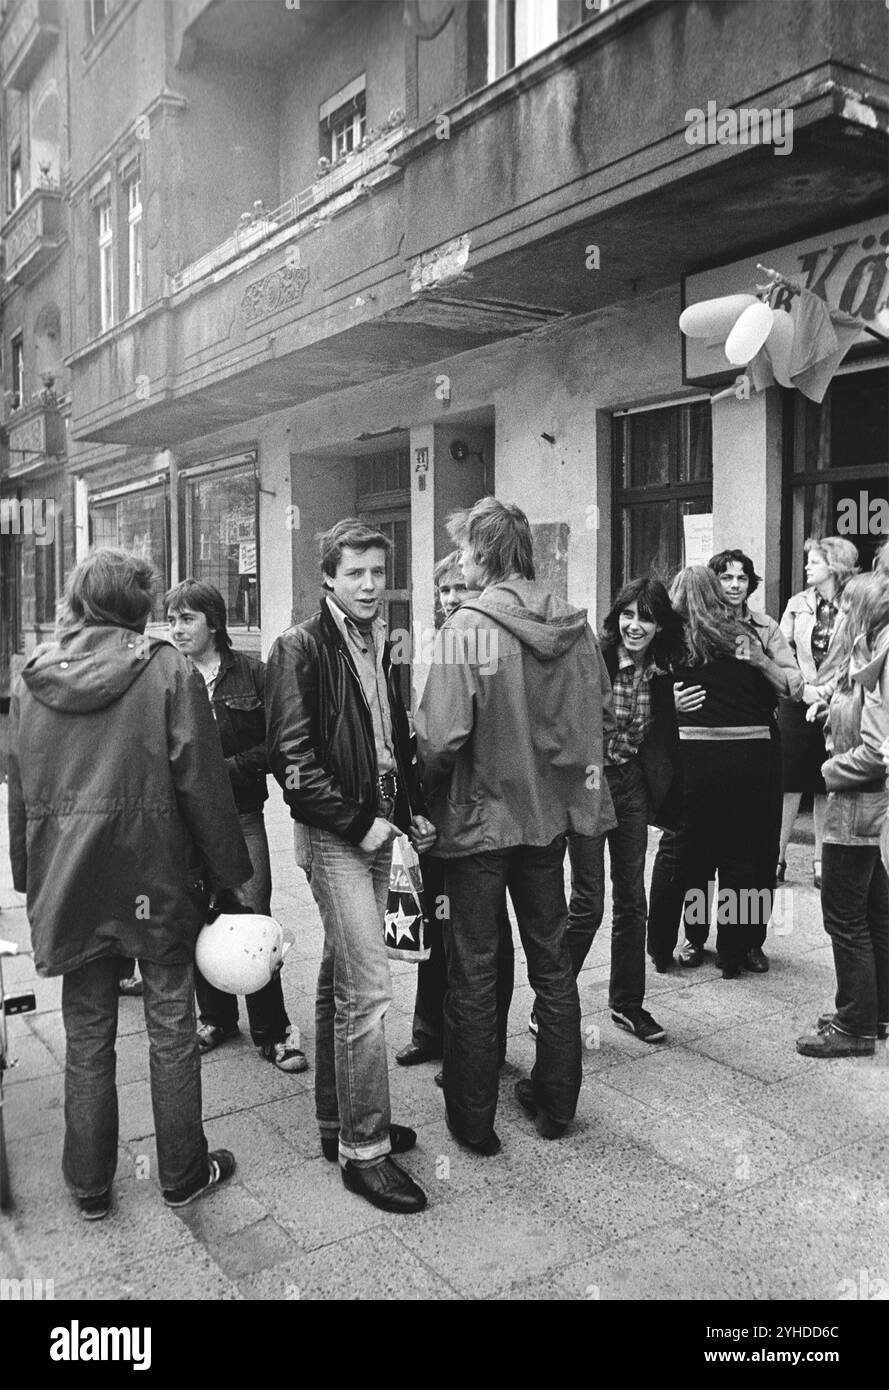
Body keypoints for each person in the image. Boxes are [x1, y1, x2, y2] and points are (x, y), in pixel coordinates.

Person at [6, 549, 252, 1219]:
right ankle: (180, 1172)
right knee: (172, 1021)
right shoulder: (166, 669)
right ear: (138, 605)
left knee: (87, 1032)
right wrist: (232, 877)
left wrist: (30, 879)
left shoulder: (31, 679)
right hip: (154, 874)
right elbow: (201, 781)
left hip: (70, 880)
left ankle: (89, 1185)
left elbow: (19, 794)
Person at [416, 498, 616, 1150]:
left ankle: (473, 1122)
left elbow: (439, 738)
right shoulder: (574, 627)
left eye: (467, 550)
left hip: (476, 824)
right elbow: (594, 717)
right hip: (545, 821)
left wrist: (415, 795)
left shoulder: (466, 627)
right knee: (552, 963)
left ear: (480, 553)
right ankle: (555, 1103)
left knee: (473, 967)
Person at [265, 519, 435, 1215]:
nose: (369, 585)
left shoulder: (378, 640)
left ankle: (339, 1119)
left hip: (379, 827)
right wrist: (362, 823)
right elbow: (294, 764)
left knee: (341, 976)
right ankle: (364, 1151)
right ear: (327, 578)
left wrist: (411, 807)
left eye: (376, 572)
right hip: (339, 835)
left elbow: (392, 735)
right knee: (367, 993)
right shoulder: (298, 647)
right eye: (355, 573)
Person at [164, 579, 307, 1074]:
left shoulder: (254, 675)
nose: (175, 628)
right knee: (202, 913)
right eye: (172, 618)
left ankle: (273, 1031)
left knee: (251, 914)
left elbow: (280, 745)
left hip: (242, 815)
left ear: (215, 623)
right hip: (185, 823)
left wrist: (217, 773)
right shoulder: (168, 675)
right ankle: (217, 1017)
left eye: (186, 618)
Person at [538, 577, 683, 1046]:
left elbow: (662, 732)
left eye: (646, 617)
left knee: (632, 899)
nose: (635, 625)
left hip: (631, 784)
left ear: (660, 625)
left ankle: (627, 1003)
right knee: (587, 903)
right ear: (616, 617)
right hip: (588, 784)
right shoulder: (593, 658)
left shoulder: (663, 672)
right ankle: (551, 1004)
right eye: (628, 614)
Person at [396, 551, 514, 1069]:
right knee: (435, 924)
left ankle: (479, 1049)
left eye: (458, 591)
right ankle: (431, 1032)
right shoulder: (441, 641)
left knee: (483, 940)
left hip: (477, 812)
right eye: (443, 592)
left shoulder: (487, 642)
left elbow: (448, 737)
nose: (450, 600)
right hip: (441, 813)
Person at [672, 548, 805, 968]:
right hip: (703, 756)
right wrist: (670, 703)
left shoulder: (765, 628)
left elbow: (793, 687)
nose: (733, 585)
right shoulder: (688, 629)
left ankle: (746, 941)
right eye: (725, 578)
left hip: (756, 750)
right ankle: (695, 937)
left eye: (741, 578)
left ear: (751, 584)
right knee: (698, 857)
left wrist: (760, 659)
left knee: (754, 854)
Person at [646, 566, 777, 978]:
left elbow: (651, 699)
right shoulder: (743, 637)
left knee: (676, 855)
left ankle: (662, 947)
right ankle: (734, 953)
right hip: (750, 761)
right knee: (743, 858)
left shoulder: (669, 645)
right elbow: (767, 696)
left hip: (695, 762)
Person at [796, 572, 889, 1057]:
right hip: (868, 807)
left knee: (844, 915)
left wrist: (832, 768)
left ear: (863, 612)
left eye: (844, 605)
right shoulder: (871, 657)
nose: (834, 614)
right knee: (874, 910)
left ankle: (855, 1026)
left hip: (857, 805)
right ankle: (874, 1013)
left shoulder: (880, 658)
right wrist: (832, 709)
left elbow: (877, 752)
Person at [778, 537, 859, 887]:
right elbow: (782, 651)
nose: (807, 566)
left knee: (827, 783)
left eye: (814, 561)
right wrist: (803, 688)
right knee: (788, 782)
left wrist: (828, 692)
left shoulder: (856, 604)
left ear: (835, 565)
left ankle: (821, 861)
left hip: (837, 703)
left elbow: (859, 653)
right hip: (797, 703)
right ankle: (775, 858)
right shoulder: (798, 604)